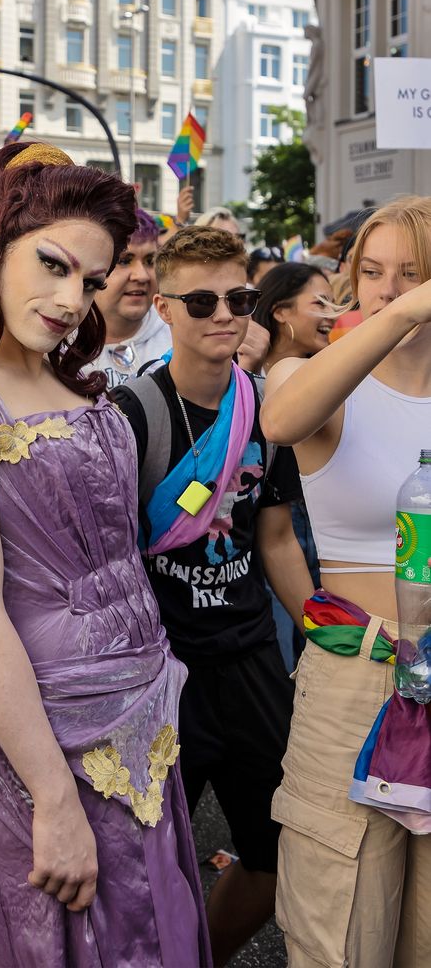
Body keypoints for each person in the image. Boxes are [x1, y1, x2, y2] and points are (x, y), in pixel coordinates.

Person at [0, 142, 211, 967]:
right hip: (39, 749)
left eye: (90, 281)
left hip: (140, 721)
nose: (72, 300)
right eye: (54, 266)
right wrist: (54, 799)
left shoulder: (70, 372)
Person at [112, 226, 313, 967]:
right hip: (163, 671)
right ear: (163, 307)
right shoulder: (130, 415)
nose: (224, 314)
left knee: (277, 852)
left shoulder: (267, 408)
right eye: (201, 301)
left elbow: (277, 540)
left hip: (251, 657)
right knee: (143, 866)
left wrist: (323, 626)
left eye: (239, 297)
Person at [260, 195, 431, 968]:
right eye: (370, 271)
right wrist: (397, 318)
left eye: (409, 274)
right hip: (356, 682)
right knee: (342, 935)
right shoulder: (314, 375)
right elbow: (282, 419)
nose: (386, 289)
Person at [252, 262, 336, 669]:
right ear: (281, 311)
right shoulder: (241, 375)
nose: (331, 314)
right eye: (319, 303)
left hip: (317, 541)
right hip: (264, 549)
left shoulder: (334, 371)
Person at [84, 208, 171, 387]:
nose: (142, 276)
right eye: (124, 261)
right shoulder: (59, 344)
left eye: (149, 261)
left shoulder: (177, 336)